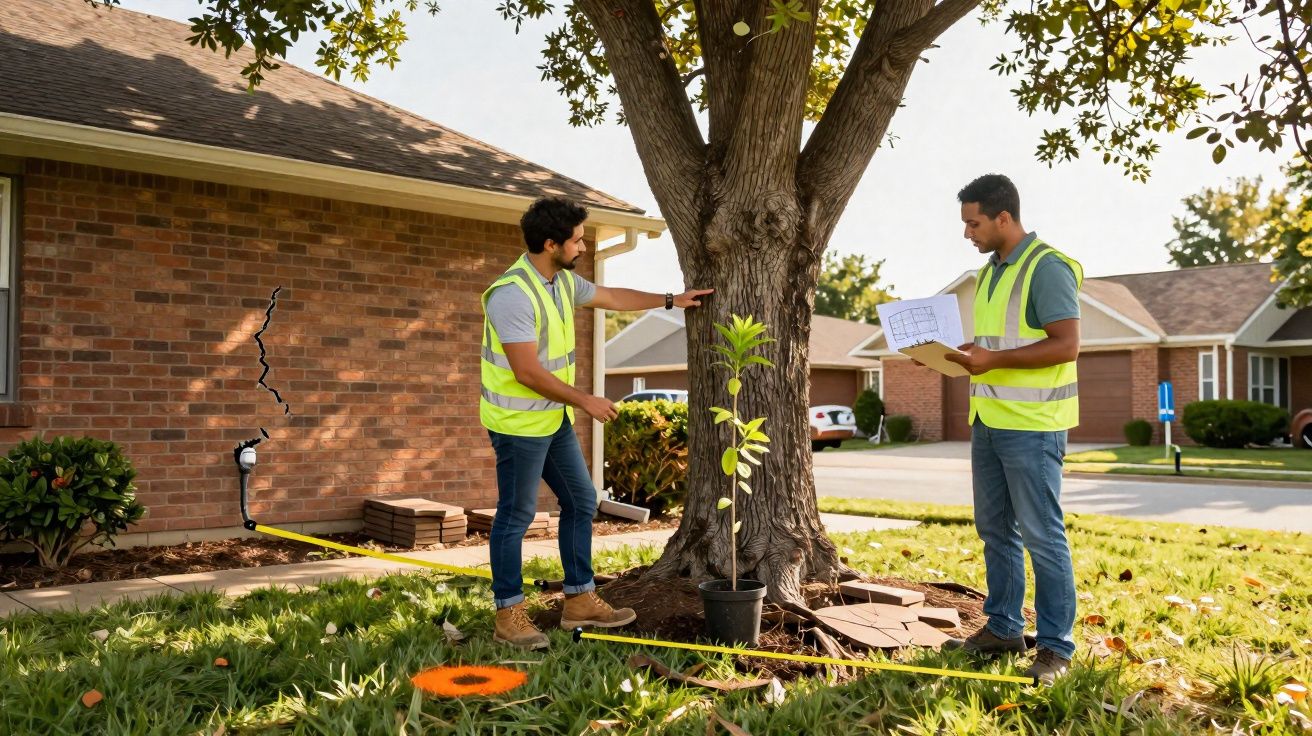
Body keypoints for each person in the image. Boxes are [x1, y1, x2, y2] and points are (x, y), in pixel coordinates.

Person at [480, 196, 713, 650]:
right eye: (577, 240)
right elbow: (527, 372)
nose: (583, 248)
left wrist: (672, 300)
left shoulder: (560, 283)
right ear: (551, 244)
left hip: (551, 420)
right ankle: (508, 614)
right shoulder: (512, 294)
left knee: (582, 501)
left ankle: (580, 600)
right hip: (516, 425)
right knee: (516, 516)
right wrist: (585, 400)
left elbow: (611, 297)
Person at [941, 174, 1082, 685]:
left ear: (1004, 217)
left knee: (1043, 536)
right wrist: (950, 358)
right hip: (990, 420)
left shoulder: (1047, 268)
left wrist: (992, 357)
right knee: (995, 530)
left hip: (1034, 426)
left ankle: (1055, 649)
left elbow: (1066, 345)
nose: (967, 233)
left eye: (973, 223)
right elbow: (994, 349)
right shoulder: (991, 273)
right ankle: (1002, 628)